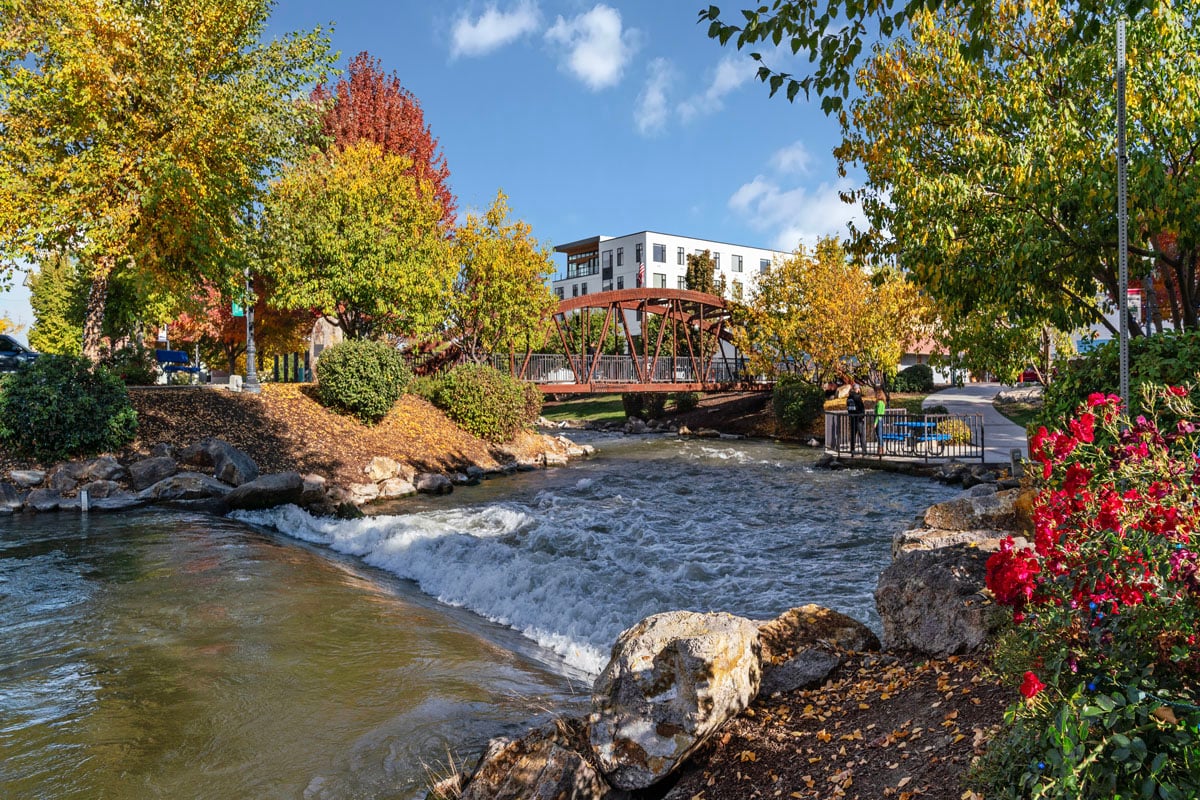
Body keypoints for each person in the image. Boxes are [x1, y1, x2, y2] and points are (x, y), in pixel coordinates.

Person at [846, 380, 866, 455]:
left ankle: (852, 450)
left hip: (852, 418)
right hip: (859, 418)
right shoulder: (857, 397)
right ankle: (864, 450)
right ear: (857, 389)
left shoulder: (848, 398)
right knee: (861, 434)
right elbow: (862, 408)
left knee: (853, 435)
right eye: (858, 389)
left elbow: (848, 408)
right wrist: (862, 415)